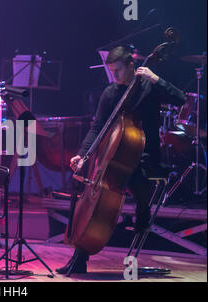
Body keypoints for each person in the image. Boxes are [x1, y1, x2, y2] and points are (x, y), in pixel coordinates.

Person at [57, 46, 186, 275]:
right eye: (111, 72)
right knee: (94, 190)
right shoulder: (110, 93)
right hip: (117, 159)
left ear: (131, 66)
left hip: (146, 157)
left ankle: (143, 211)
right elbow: (98, 127)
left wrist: (156, 79)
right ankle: (80, 255)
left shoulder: (149, 87)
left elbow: (180, 98)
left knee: (133, 178)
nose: (114, 77)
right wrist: (82, 153)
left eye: (118, 71)